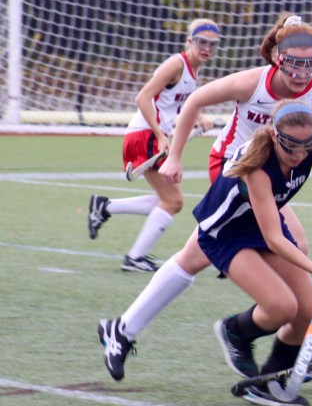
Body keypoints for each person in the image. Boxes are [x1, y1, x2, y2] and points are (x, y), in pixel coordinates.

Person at [97, 99, 312, 406]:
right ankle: (235, 332)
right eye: (291, 147)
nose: (299, 155)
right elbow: (273, 239)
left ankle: (270, 380)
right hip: (225, 235)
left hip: (262, 225)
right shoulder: (257, 168)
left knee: (307, 312)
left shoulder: (309, 152)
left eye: (306, 146)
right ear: (274, 136)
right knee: (282, 306)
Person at [158, 12, 312, 378]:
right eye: (294, 63)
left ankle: (288, 350)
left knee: (292, 248)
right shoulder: (253, 82)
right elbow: (195, 101)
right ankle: (243, 329)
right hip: (232, 168)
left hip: (277, 172)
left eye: (311, 64)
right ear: (278, 57)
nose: (302, 73)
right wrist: (175, 155)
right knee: (245, 245)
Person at [87, 18, 220, 272]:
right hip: (145, 135)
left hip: (150, 135)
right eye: (202, 43)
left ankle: (105, 207)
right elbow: (143, 97)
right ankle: (135, 258)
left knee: (168, 199)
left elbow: (176, 102)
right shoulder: (176, 64)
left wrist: (200, 118)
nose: (207, 49)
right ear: (189, 41)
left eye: (212, 45)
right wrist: (160, 135)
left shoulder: (193, 70)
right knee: (173, 201)